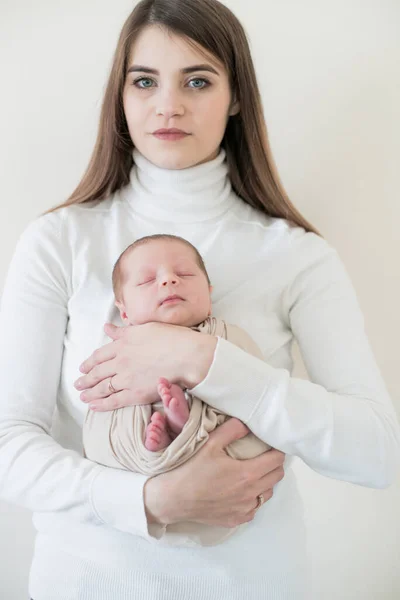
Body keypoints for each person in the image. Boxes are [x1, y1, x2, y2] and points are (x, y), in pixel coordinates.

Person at [0, 0, 399, 599]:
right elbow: (10, 442)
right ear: (122, 96)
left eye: (198, 79)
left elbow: (377, 452)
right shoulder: (59, 241)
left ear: (236, 97)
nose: (169, 104)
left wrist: (202, 362)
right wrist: (149, 500)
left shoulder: (296, 256)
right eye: (144, 80)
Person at [82, 233, 271, 548]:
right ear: (124, 311)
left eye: (184, 274)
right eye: (146, 281)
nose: (169, 280)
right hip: (128, 500)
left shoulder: (227, 337)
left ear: (209, 294)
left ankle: (181, 428)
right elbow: (99, 407)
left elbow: (262, 396)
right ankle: (170, 432)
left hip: (224, 480)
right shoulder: (115, 353)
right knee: (117, 411)